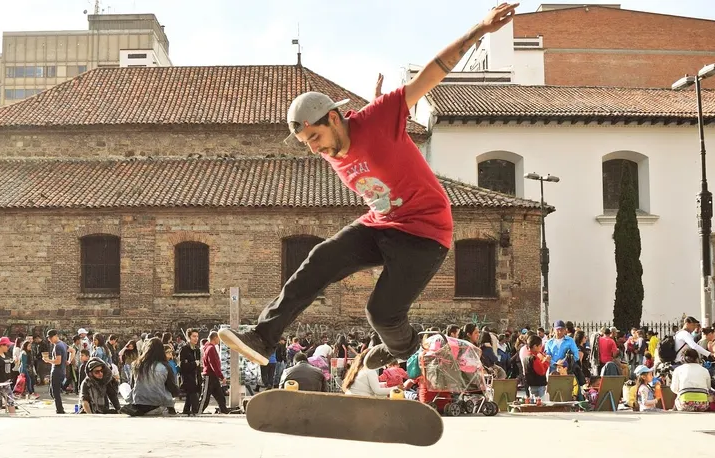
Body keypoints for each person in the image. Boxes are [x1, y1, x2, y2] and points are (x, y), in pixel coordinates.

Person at [218, 3, 522, 376]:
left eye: (316, 137)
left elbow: (433, 72)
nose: (315, 149)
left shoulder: (379, 117)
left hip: (426, 232)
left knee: (380, 312)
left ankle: (406, 346)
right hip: (381, 225)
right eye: (306, 143)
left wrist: (480, 29)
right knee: (320, 258)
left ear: (333, 118)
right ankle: (263, 337)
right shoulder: (330, 144)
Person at [122, 338, 179, 416]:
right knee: (167, 388)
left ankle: (132, 405)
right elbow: (172, 388)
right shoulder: (165, 366)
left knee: (123, 386)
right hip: (158, 404)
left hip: (139, 403)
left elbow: (132, 385)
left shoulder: (136, 365)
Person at [201, 331, 231, 414]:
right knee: (205, 397)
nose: (219, 340)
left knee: (220, 396)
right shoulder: (210, 348)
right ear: (215, 338)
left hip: (213, 376)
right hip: (209, 376)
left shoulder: (209, 347)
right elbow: (213, 364)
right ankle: (198, 411)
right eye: (219, 338)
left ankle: (224, 410)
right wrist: (221, 376)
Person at [518, 334, 550, 401]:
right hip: (539, 386)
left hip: (531, 385)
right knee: (541, 404)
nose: (541, 348)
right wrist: (546, 362)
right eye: (540, 346)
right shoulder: (534, 358)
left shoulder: (526, 357)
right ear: (535, 346)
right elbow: (542, 372)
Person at [179, 329, 202, 416]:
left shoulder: (197, 349)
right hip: (188, 377)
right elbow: (183, 365)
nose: (196, 338)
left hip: (196, 376)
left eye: (197, 336)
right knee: (193, 394)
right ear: (189, 337)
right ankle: (195, 411)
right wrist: (193, 364)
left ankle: (186, 410)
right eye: (194, 336)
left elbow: (198, 364)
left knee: (191, 394)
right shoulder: (184, 349)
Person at [47, 329, 69, 415]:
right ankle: (60, 408)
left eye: (51, 337)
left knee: (55, 392)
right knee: (53, 391)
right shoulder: (63, 344)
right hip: (61, 371)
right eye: (49, 338)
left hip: (57, 371)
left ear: (56, 336)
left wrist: (48, 360)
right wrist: (69, 360)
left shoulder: (58, 346)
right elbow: (72, 351)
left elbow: (58, 361)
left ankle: (60, 409)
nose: (50, 340)